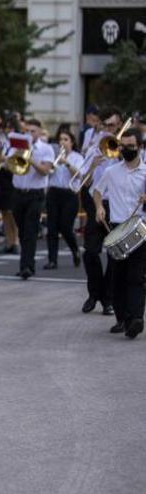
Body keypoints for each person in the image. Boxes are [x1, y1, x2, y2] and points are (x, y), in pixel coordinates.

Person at [93, 129, 146, 339]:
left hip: (140, 229)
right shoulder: (112, 171)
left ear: (140, 147)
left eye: (130, 146)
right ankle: (122, 319)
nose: (125, 150)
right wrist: (99, 207)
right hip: (116, 228)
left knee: (136, 276)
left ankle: (136, 319)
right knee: (118, 278)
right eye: (122, 146)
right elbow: (97, 191)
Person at [79, 107, 123, 315]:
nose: (108, 130)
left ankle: (108, 299)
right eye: (105, 126)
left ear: (120, 126)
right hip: (97, 204)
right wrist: (92, 166)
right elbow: (83, 182)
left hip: (118, 206)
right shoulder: (95, 149)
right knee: (90, 252)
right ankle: (94, 293)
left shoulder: (126, 151)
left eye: (112, 126)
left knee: (115, 255)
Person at [8, 119, 54, 280]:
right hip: (18, 193)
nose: (29, 134)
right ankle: (25, 265)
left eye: (33, 131)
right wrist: (16, 154)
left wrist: (31, 159)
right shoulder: (17, 146)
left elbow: (45, 171)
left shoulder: (46, 149)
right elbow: (8, 165)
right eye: (27, 131)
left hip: (35, 194)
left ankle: (27, 266)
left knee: (30, 230)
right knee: (22, 230)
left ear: (40, 132)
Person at [44, 129, 83, 269]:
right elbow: (48, 173)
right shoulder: (53, 156)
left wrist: (66, 162)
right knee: (52, 228)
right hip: (54, 193)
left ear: (72, 142)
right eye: (60, 139)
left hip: (69, 194)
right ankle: (52, 260)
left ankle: (75, 250)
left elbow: (79, 175)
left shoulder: (77, 157)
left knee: (66, 227)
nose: (63, 142)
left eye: (66, 139)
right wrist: (52, 166)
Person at [0, 115, 18, 254]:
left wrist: (4, 158)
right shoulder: (3, 143)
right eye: (6, 127)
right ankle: (9, 241)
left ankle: (16, 241)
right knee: (4, 211)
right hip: (2, 177)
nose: (8, 130)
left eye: (10, 127)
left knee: (12, 211)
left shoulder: (18, 144)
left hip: (12, 177)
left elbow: (16, 163)